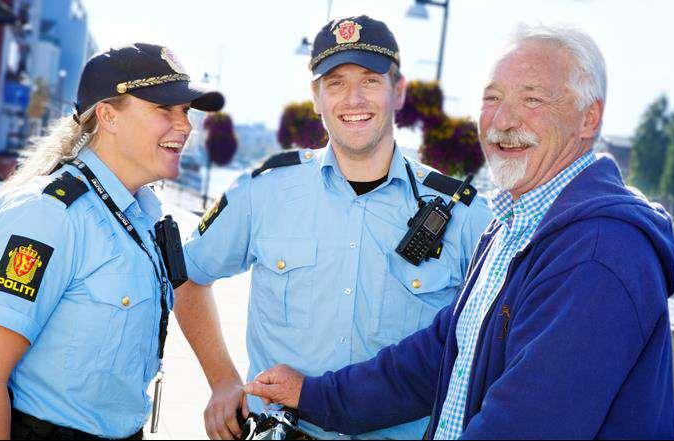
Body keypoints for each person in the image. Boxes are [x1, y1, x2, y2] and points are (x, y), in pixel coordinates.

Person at [245, 24, 674, 440]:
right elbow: (437, 357)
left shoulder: (598, 254)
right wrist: (313, 394)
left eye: (533, 100)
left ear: (589, 118)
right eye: (492, 97)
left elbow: (524, 427)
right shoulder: (510, 227)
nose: (502, 120)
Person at [175, 15, 492, 440]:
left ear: (398, 92)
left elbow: (495, 341)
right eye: (336, 82)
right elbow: (186, 275)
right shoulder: (264, 191)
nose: (353, 99)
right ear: (316, 97)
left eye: (370, 80)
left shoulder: (465, 217)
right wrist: (222, 381)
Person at [0, 43, 224, 439]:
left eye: (185, 111)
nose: (185, 126)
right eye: (165, 109)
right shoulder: (49, 215)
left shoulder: (145, 216)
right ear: (108, 116)